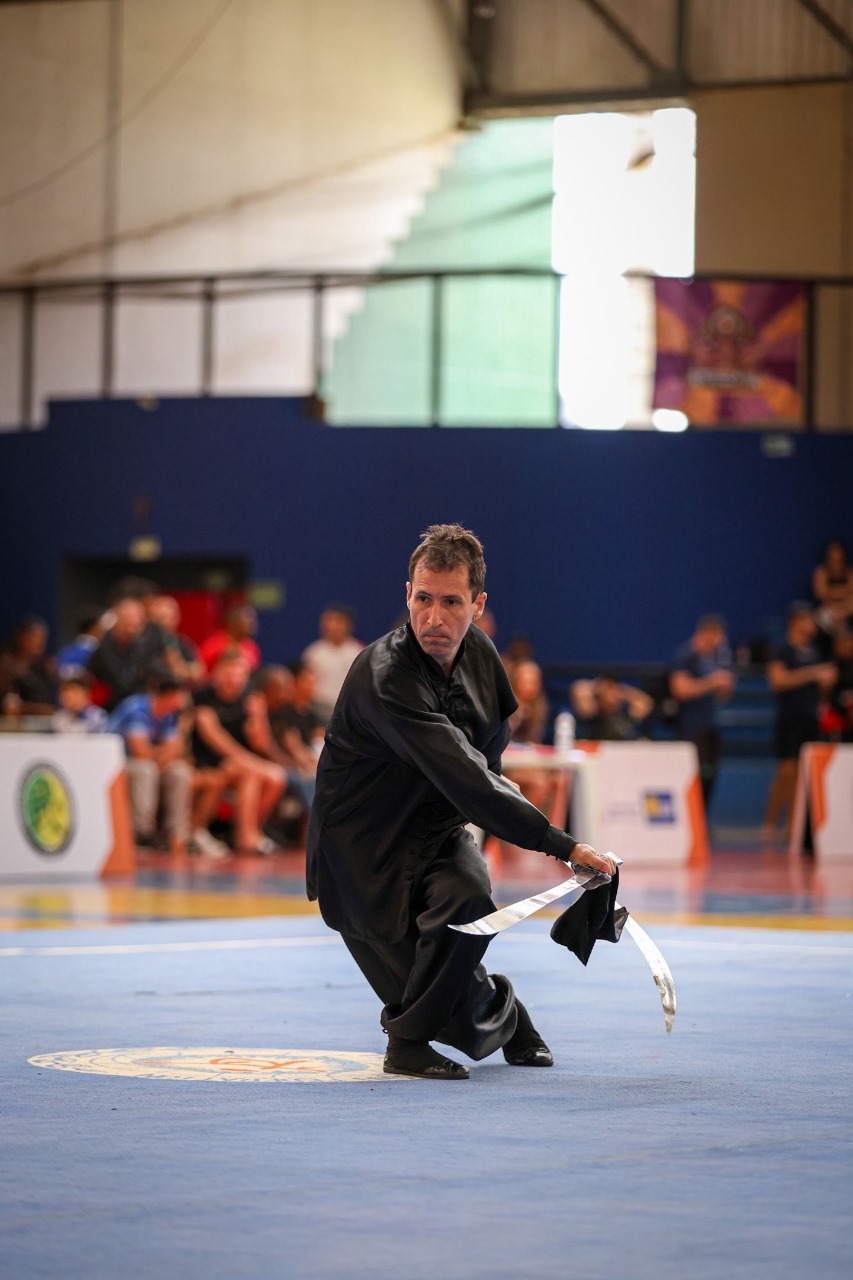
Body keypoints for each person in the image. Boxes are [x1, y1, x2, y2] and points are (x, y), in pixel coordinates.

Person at [306, 523, 616, 1082]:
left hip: (436, 830)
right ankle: (510, 1019)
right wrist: (564, 845)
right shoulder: (385, 675)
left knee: (470, 899)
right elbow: (467, 775)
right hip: (360, 852)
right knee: (430, 987)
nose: (434, 617)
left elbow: (489, 753)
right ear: (407, 595)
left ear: (478, 604)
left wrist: (505, 822)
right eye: (423, 599)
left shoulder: (483, 657)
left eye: (451, 602)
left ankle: (406, 1045)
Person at [190, 650, 285, 855]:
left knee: (277, 778)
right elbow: (214, 738)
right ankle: (246, 838)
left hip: (240, 763)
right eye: (230, 673)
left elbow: (261, 744)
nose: (234, 679)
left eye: (240, 674)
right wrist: (247, 760)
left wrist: (259, 717)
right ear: (218, 672)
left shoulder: (249, 699)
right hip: (210, 762)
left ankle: (247, 831)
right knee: (251, 772)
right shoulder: (203, 697)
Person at [763, 601, 838, 841]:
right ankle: (769, 824)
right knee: (787, 771)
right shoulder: (783, 649)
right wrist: (812, 674)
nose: (811, 624)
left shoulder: (814, 651)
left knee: (803, 776)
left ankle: (791, 827)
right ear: (795, 621)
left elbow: (821, 690)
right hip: (789, 718)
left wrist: (825, 683)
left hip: (810, 718)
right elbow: (777, 681)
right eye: (806, 619)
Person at [107, 670, 193, 855]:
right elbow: (140, 751)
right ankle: (141, 832)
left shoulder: (170, 715)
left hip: (148, 762)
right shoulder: (137, 707)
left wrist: (160, 752)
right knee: (146, 770)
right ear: (170, 696)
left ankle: (177, 834)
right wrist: (161, 753)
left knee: (179, 771)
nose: (182, 701)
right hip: (114, 763)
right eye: (179, 696)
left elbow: (174, 751)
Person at [668, 614, 734, 808]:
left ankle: (702, 816)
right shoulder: (686, 656)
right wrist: (712, 682)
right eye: (717, 637)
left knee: (709, 775)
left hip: (711, 726)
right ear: (707, 633)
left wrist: (724, 688)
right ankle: (691, 814)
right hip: (692, 728)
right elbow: (680, 689)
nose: (719, 642)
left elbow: (719, 697)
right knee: (694, 775)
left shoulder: (714, 658)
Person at [302, 603, 364, 724]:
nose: (330, 626)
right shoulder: (313, 653)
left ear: (347, 625)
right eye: (327, 622)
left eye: (336, 621)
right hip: (319, 711)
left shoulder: (358, 651)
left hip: (349, 711)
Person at [86, 596, 149, 711]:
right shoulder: (104, 649)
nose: (133, 625)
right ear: (117, 620)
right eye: (128, 621)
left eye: (137, 621)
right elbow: (120, 686)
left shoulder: (141, 647)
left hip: (135, 709)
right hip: (108, 711)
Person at [0, 615, 57, 717]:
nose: (41, 643)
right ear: (21, 637)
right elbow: (10, 705)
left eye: (43, 638)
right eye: (35, 637)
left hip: (43, 722)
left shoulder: (44, 664)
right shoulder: (6, 664)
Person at [571, 674, 653, 741]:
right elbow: (579, 690)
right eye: (606, 691)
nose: (610, 696)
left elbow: (645, 702)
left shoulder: (625, 714)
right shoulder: (593, 714)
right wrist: (596, 686)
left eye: (613, 691)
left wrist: (623, 691)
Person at [198, 604, 261, 675]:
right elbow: (201, 671)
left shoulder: (251, 647)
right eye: (247, 619)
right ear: (233, 622)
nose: (252, 623)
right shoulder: (213, 645)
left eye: (252, 620)